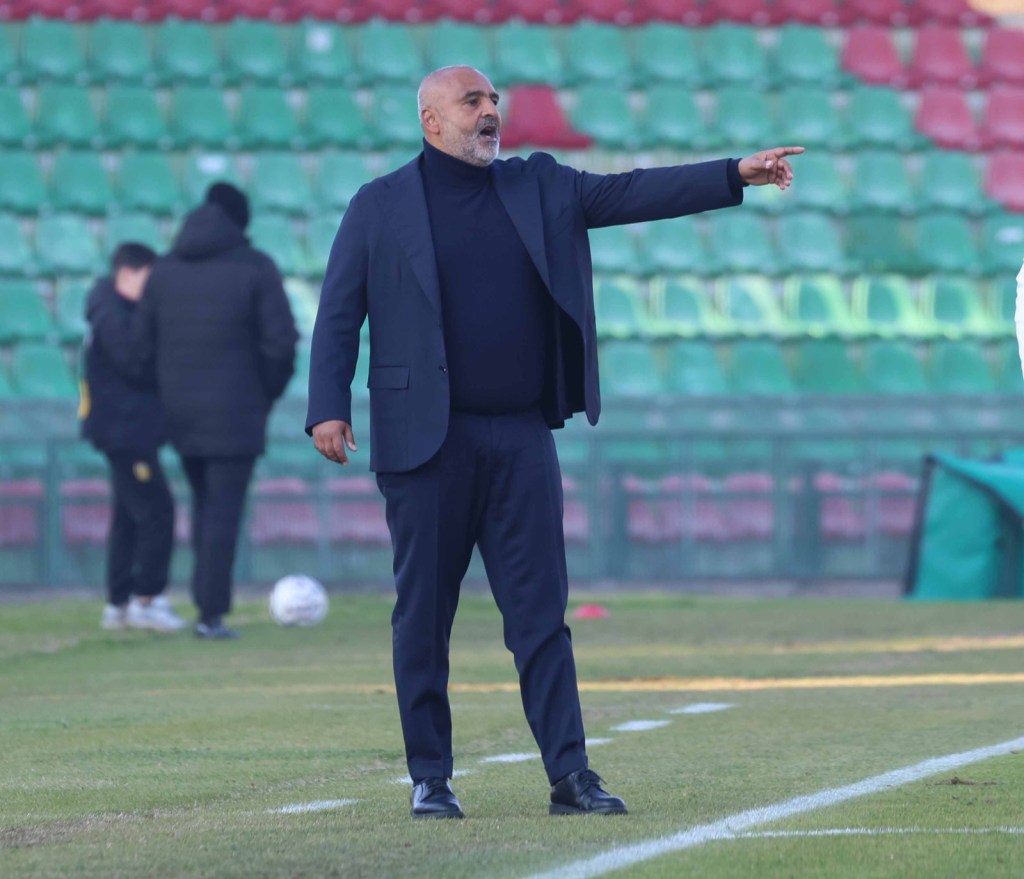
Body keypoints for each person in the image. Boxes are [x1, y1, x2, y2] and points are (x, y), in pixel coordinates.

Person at [307, 66, 803, 818]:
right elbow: (339, 310)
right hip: (424, 445)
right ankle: (431, 776)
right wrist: (326, 407)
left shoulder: (539, 186)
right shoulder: (379, 205)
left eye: (493, 102)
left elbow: (635, 192)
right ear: (430, 121)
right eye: (471, 101)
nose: (489, 113)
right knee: (423, 616)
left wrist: (736, 172)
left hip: (519, 436)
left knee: (540, 616)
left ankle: (570, 776)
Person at [136, 183, 298, 640]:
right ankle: (210, 613)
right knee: (223, 511)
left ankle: (204, 604)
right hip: (238, 411)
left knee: (204, 507)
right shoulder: (255, 268)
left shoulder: (164, 271)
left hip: (179, 413)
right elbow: (281, 343)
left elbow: (142, 345)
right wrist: (263, 394)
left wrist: (165, 394)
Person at [81, 242, 184, 633]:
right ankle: (148, 598)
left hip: (130, 430)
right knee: (157, 512)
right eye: (149, 278)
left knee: (128, 516)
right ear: (127, 274)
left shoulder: (114, 309)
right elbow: (133, 361)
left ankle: (119, 603)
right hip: (125, 432)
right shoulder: (112, 313)